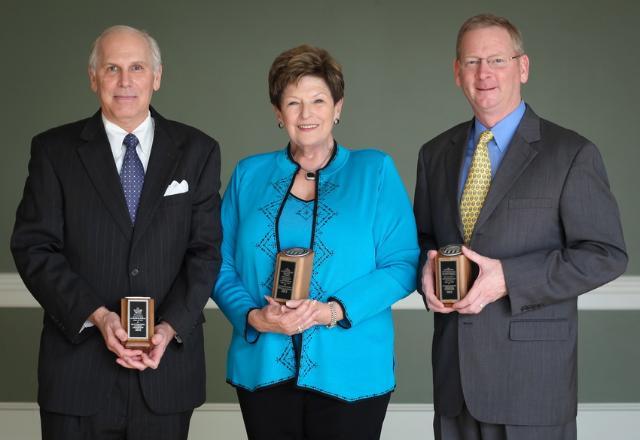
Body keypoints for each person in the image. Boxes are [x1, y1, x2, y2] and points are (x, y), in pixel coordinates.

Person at [414, 13, 627, 440]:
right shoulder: (435, 153)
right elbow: (425, 240)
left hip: (533, 385)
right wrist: (424, 270)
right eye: (472, 62)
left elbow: (606, 255)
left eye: (496, 60)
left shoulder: (571, 153)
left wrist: (507, 279)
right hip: (454, 380)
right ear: (457, 73)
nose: (484, 73)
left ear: (522, 67)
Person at [10, 25, 221, 440]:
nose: (125, 81)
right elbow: (34, 248)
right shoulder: (53, 151)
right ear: (93, 78)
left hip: (166, 374)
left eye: (137, 67)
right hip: (76, 375)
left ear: (157, 77)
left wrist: (169, 327)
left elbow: (206, 252)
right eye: (112, 68)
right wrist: (99, 316)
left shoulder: (198, 150)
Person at [212, 44, 418, 439]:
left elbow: (403, 263)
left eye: (318, 100)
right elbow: (217, 263)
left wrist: (331, 311)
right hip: (262, 366)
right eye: (293, 103)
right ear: (278, 113)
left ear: (338, 107)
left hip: (353, 368)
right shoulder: (248, 175)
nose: (306, 114)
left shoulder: (374, 170)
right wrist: (253, 317)